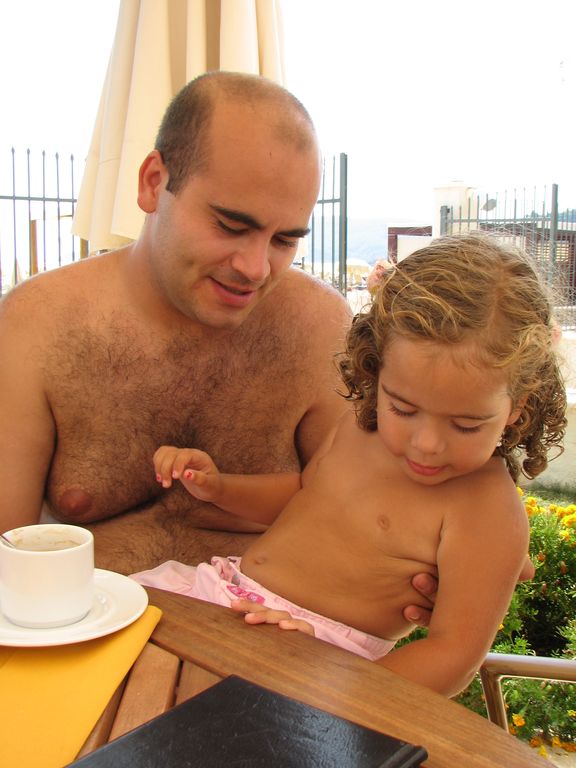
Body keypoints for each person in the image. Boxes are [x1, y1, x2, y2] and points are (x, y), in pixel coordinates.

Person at [0, 71, 436, 622]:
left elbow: (380, 512)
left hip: (274, 651)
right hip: (84, 647)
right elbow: (6, 557)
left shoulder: (321, 331)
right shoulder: (36, 327)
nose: (256, 268)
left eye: (285, 240)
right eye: (231, 225)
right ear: (154, 183)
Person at [134, 233, 566, 696]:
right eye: (403, 409)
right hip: (222, 592)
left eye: (465, 425)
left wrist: (338, 692)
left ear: (517, 406)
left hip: (319, 658)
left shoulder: (486, 510)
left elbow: (453, 655)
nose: (426, 444)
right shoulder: (358, 429)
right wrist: (221, 488)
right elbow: (304, 498)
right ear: (377, 369)